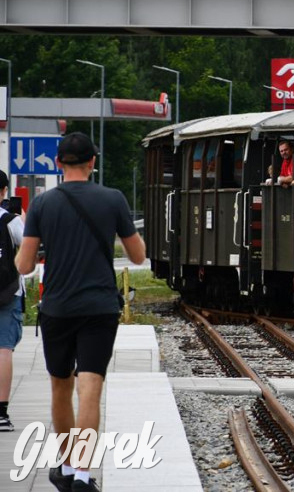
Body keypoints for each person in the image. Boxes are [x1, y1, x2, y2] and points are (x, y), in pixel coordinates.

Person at [15, 132, 146, 492]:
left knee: (60, 386)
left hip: (57, 308)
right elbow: (138, 256)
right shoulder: (113, 199)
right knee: (90, 387)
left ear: (58, 163)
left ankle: (67, 467)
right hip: (99, 309)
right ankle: (84, 477)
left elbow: (24, 265)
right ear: (92, 162)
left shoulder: (42, 204)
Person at [0, 170, 25, 433]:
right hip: (6, 293)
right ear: (4, 191)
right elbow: (29, 247)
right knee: (3, 350)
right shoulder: (10, 220)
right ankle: (1, 413)